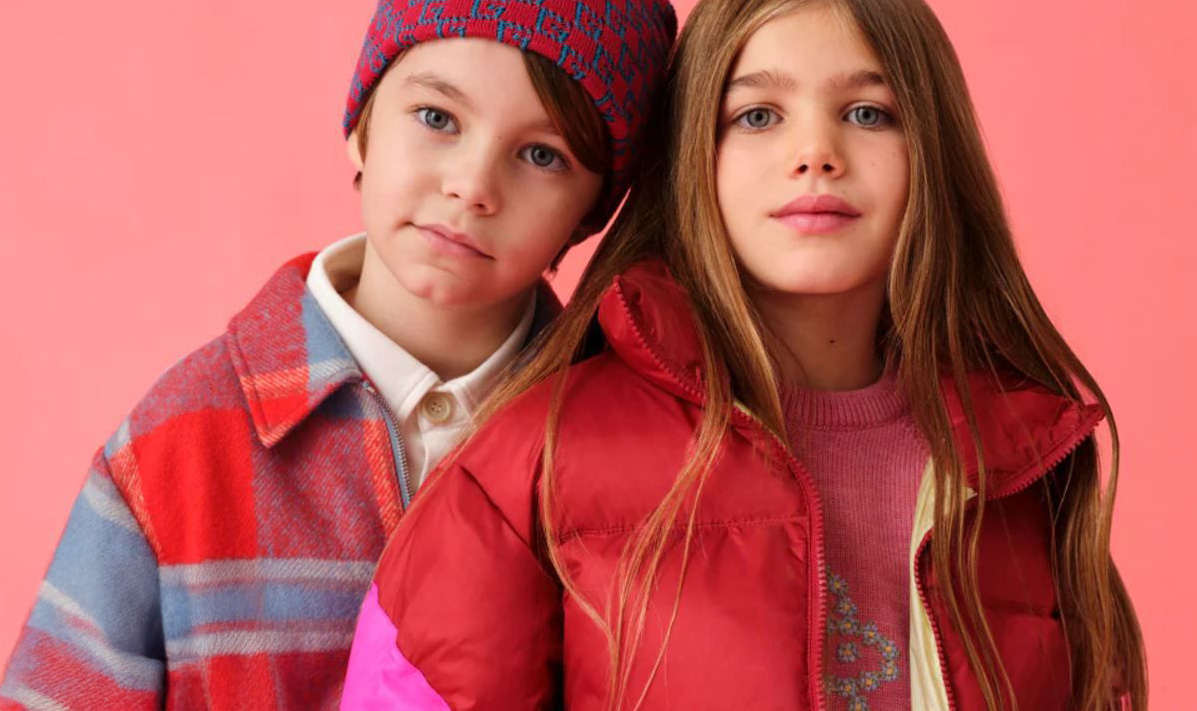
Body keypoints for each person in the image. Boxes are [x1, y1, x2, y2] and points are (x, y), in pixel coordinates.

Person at [343, 0, 1146, 708]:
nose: (816, 152)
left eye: (867, 113)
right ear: (693, 155)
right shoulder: (532, 458)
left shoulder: (1024, 464)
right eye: (758, 115)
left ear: (934, 152)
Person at [0, 0, 675, 707]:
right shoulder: (177, 443)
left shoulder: (638, 459)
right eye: (437, 118)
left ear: (593, 210)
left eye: (541, 155)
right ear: (362, 126)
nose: (472, 186)